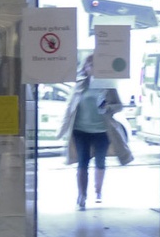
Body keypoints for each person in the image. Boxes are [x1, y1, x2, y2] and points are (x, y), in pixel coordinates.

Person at [57, 53, 133, 209]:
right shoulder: (79, 85)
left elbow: (118, 106)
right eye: (90, 65)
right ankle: (82, 195)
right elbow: (70, 108)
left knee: (100, 161)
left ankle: (98, 192)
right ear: (85, 68)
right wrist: (62, 129)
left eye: (96, 65)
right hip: (80, 130)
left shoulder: (108, 85)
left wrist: (108, 107)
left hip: (101, 130)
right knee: (82, 162)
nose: (92, 68)